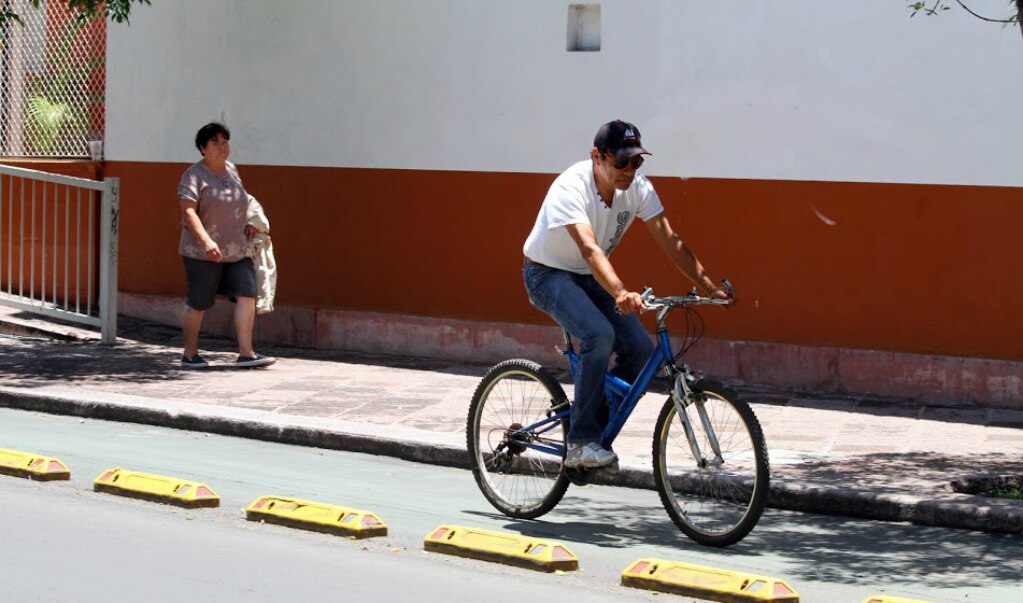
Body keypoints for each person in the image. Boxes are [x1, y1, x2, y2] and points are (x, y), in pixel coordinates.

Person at [522, 119, 733, 469]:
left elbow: (669, 239)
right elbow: (589, 248)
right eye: (621, 162)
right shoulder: (571, 187)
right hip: (547, 273)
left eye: (636, 162)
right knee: (599, 334)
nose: (629, 171)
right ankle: (581, 441)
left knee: (639, 350)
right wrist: (620, 291)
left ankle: (594, 427)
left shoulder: (638, 189)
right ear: (597, 157)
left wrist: (709, 286)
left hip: (590, 275)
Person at [177, 122, 276, 369]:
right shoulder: (193, 175)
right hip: (203, 252)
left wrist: (251, 221)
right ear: (203, 148)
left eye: (225, 142)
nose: (222, 147)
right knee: (199, 302)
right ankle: (190, 354)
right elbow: (188, 212)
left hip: (236, 248)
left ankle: (246, 353)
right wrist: (206, 241)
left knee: (247, 295)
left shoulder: (232, 170)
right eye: (215, 143)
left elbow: (243, 200)